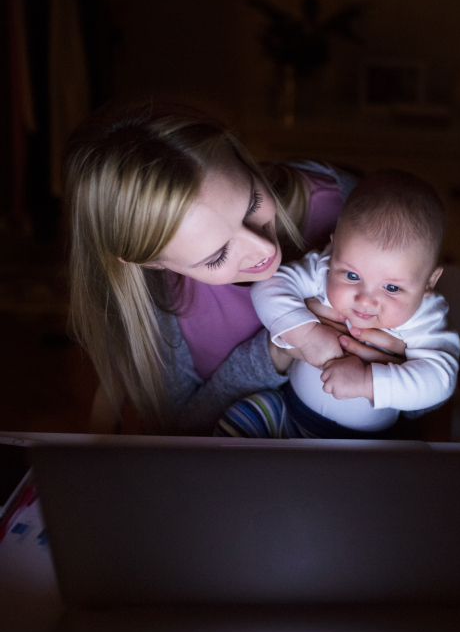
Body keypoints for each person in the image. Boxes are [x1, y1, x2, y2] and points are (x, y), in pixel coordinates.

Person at [64, 101, 406, 434]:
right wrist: (278, 346)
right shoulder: (162, 299)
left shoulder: (344, 203)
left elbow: (428, 404)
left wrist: (398, 368)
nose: (265, 249)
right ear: (151, 262)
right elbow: (181, 427)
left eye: (253, 203)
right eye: (216, 256)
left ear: (241, 157)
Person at [217, 170, 460, 439]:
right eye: (352, 275)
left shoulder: (425, 317)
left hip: (364, 442)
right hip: (288, 412)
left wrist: (368, 382)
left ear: (429, 283)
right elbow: (268, 286)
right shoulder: (325, 268)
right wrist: (306, 334)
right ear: (335, 250)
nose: (365, 300)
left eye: (392, 288)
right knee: (241, 418)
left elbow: (440, 380)